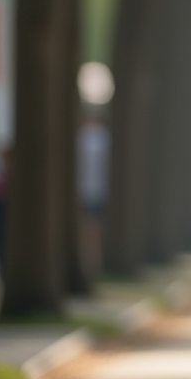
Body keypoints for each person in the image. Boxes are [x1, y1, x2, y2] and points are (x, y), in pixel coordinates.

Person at [77, 112, 111, 281]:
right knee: (92, 227)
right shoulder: (101, 138)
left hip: (90, 190)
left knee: (90, 227)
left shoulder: (86, 138)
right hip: (92, 190)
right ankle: (93, 261)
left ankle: (92, 261)